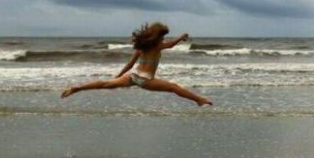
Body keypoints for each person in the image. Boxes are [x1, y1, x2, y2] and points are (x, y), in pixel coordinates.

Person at [61, 22, 212, 106]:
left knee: (106, 84)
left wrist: (117, 77)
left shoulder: (142, 48)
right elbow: (171, 45)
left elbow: (129, 65)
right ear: (158, 37)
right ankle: (198, 99)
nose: (163, 39)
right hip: (146, 80)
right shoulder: (157, 46)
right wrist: (181, 37)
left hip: (133, 76)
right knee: (174, 87)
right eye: (163, 36)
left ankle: (77, 88)